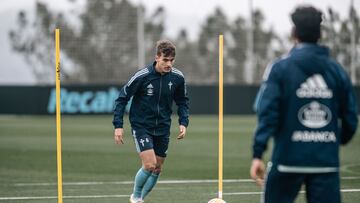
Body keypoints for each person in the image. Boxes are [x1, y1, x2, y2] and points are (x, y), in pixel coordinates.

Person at [250, 5, 358, 203]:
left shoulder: (280, 68)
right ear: (319, 33)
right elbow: (351, 116)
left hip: (287, 162)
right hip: (325, 163)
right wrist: (335, 139)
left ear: (294, 32)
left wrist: (258, 153)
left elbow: (267, 113)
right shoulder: (337, 71)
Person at [113, 39, 189, 203]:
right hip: (142, 127)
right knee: (149, 164)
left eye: (171, 60)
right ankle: (136, 196)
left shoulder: (177, 78)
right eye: (165, 60)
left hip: (163, 127)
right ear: (157, 57)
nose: (169, 64)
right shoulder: (142, 76)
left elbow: (182, 101)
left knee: (157, 168)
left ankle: (140, 200)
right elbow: (122, 99)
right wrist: (118, 126)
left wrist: (183, 122)